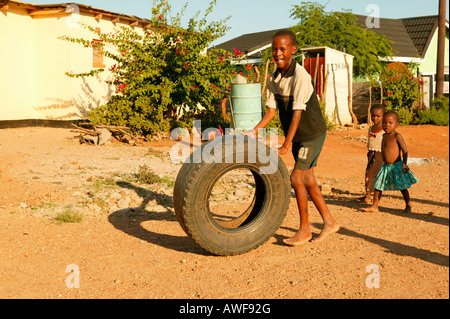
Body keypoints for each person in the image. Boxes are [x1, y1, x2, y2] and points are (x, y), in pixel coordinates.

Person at [247, 30, 339, 245]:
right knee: (308, 180)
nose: (278, 53)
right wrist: (254, 131)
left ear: (293, 50)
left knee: (296, 178)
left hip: (311, 134)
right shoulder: (274, 78)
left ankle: (305, 230)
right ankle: (330, 222)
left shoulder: (301, 76)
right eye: (274, 50)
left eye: (282, 49)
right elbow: (271, 112)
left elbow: (297, 113)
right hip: (298, 135)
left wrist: (286, 145)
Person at [363, 111, 418, 213]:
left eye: (390, 123)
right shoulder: (384, 136)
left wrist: (404, 164)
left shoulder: (397, 136)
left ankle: (409, 204)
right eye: (384, 122)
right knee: (378, 185)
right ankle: (375, 206)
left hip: (396, 166)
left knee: (402, 187)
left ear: (396, 125)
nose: (386, 125)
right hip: (385, 166)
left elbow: (405, 150)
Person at [361, 104, 385, 203]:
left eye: (378, 116)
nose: (375, 118)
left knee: (377, 175)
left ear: (383, 116)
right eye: (373, 116)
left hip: (380, 155)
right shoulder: (370, 129)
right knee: (368, 174)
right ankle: (367, 195)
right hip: (371, 154)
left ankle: (376, 197)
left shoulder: (384, 130)